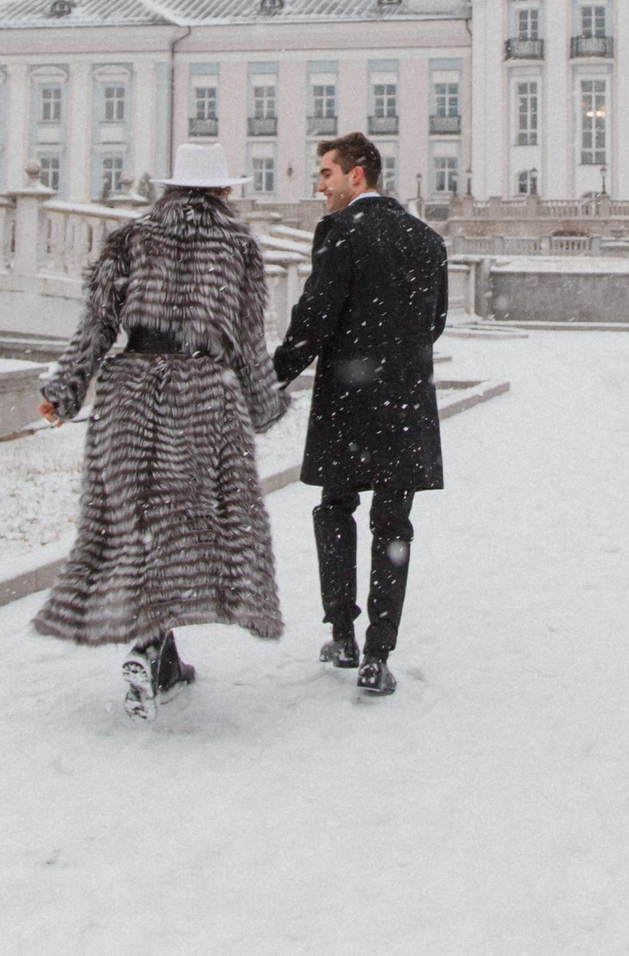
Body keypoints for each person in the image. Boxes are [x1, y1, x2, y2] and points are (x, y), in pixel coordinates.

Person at [32, 143, 292, 720]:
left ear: (171, 187)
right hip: (199, 393)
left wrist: (65, 392)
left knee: (134, 522)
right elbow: (249, 339)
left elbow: (96, 326)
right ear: (221, 189)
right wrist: (264, 404)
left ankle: (157, 651)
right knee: (182, 524)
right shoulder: (238, 246)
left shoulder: (130, 237)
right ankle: (152, 649)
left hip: (128, 391)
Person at [273, 131, 449, 697]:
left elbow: (313, 319)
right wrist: (396, 359)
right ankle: (378, 654)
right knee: (393, 526)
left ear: (357, 174)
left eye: (326, 173)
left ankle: (343, 634)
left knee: (336, 510)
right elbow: (435, 322)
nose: (319, 185)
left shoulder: (342, 231)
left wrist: (271, 377)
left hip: (349, 402)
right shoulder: (427, 240)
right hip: (404, 403)